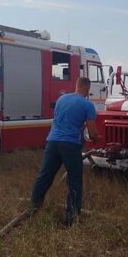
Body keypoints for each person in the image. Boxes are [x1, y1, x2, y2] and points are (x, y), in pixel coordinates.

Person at [29, 77, 99, 226]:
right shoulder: (88, 105)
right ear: (87, 89)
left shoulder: (61, 99)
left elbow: (60, 120)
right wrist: (96, 138)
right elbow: (92, 133)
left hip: (52, 142)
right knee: (74, 181)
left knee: (44, 177)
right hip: (70, 145)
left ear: (76, 85)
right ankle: (71, 220)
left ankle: (32, 210)